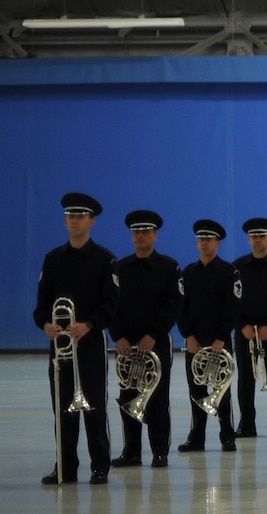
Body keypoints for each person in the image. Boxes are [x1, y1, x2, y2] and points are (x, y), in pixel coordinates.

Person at [36, 193, 116, 485]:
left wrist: (91, 323)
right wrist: (45, 324)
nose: (74, 221)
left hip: (91, 344)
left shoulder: (105, 259)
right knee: (62, 410)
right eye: (70, 216)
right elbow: (41, 304)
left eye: (80, 216)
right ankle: (65, 468)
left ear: (91, 221)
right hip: (60, 346)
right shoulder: (53, 259)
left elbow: (112, 303)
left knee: (94, 408)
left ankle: (100, 466)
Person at [111, 209, 180, 468]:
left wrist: (153, 334)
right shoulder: (120, 268)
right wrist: (118, 336)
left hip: (157, 342)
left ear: (155, 235)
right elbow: (112, 305)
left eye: (145, 232)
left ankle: (159, 451)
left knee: (157, 397)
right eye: (136, 232)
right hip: (126, 345)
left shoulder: (168, 267)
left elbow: (173, 304)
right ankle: (132, 452)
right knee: (128, 396)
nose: (140, 236)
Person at [177, 220, 239, 454]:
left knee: (222, 391)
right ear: (197, 243)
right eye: (201, 239)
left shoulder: (229, 272)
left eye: (209, 239)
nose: (204, 243)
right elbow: (180, 308)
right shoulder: (188, 273)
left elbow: (233, 307)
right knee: (197, 390)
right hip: (195, 342)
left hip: (219, 342)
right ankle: (197, 437)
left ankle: (227, 435)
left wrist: (222, 337)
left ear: (218, 243)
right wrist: (188, 335)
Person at [233, 217, 267, 439]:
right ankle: (247, 424)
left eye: (262, 236)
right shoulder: (237, 266)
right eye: (254, 237)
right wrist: (242, 325)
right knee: (245, 379)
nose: (258, 240)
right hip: (245, 331)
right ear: (248, 240)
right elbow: (232, 300)